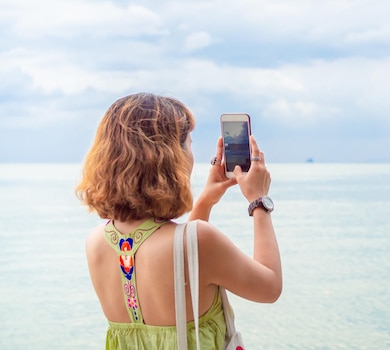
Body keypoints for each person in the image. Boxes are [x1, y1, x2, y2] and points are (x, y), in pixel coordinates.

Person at [76, 93, 282, 349]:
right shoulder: (199, 240)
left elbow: (185, 268)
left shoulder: (96, 242)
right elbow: (270, 287)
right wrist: (259, 201)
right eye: (187, 144)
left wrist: (204, 202)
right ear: (169, 156)